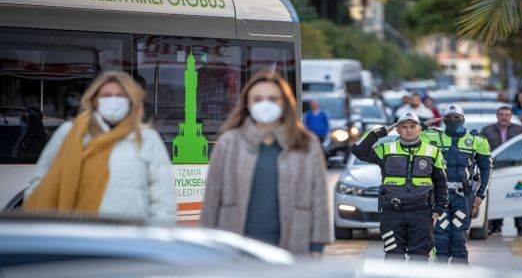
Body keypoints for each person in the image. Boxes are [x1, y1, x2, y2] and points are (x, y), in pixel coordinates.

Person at [200, 70, 332, 254]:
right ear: (247, 103)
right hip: (235, 249)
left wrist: (318, 244)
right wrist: (207, 242)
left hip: (293, 246)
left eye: (272, 98)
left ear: (284, 103)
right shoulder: (229, 142)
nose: (265, 104)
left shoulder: (306, 144)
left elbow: (319, 197)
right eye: (257, 99)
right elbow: (212, 197)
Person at [23, 71, 175, 224]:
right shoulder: (70, 133)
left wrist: (156, 237)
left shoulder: (147, 138)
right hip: (76, 237)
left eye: (121, 96)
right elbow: (41, 182)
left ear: (131, 100)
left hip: (130, 240)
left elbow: (163, 199)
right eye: (107, 95)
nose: (114, 101)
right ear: (94, 100)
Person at [351, 112, 448, 262]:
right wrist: (383, 131)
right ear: (397, 129)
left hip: (421, 213)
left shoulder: (433, 151)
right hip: (392, 213)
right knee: (393, 257)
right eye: (404, 126)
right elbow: (358, 149)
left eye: (412, 126)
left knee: (420, 257)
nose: (408, 130)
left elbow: (441, 182)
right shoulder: (385, 149)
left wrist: (439, 207)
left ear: (419, 129)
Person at [421, 104, 492, 264]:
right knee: (441, 236)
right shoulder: (431, 137)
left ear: (463, 119)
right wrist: (429, 122)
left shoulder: (476, 140)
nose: (453, 120)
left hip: (463, 197)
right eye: (449, 118)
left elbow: (486, 168)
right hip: (440, 196)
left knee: (459, 237)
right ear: (443, 120)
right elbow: (409, 132)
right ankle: (442, 273)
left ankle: (461, 277)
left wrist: (481, 194)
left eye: (457, 117)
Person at [480, 106, 522, 236]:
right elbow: (481, 149)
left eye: (507, 115)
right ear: (497, 116)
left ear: (510, 116)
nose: (504, 117)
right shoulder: (487, 130)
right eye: (501, 114)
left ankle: (520, 227)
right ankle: (496, 227)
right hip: (496, 170)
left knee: (517, 197)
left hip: (515, 169)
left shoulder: (520, 129)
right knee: (497, 197)